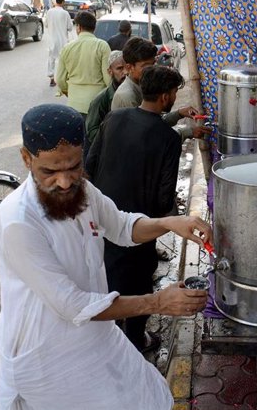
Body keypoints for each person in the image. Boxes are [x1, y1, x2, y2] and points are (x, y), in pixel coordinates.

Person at [0, 104, 210, 409]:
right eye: (50, 171)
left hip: (94, 334)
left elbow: (121, 226)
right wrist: (158, 302)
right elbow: (73, 304)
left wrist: (168, 223)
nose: (65, 182)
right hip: (45, 353)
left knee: (145, 395)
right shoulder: (18, 220)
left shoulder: (83, 190)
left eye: (73, 167)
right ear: (26, 158)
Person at [85, 66, 186, 352]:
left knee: (106, 277)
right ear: (166, 96)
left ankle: (110, 340)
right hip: (137, 226)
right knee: (140, 282)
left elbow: (90, 164)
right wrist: (165, 221)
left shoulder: (114, 118)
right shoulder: (168, 138)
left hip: (103, 218)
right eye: (175, 92)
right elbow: (164, 197)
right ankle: (136, 340)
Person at [110, 37, 209, 141]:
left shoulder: (142, 85)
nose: (151, 69)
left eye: (153, 64)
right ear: (130, 67)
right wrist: (187, 132)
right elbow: (149, 136)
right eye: (145, 66)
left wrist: (179, 113)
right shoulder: (128, 96)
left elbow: (154, 122)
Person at [56, 11, 111, 115]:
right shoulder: (102, 46)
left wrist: (68, 91)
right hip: (97, 104)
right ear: (94, 28)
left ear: (78, 27)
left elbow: (59, 80)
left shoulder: (67, 48)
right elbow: (108, 79)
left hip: (74, 104)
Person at [83, 50, 126, 158]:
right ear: (110, 71)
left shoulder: (135, 91)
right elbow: (92, 131)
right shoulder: (101, 99)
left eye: (127, 67)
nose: (125, 72)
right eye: (120, 68)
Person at [44, 0, 72, 87]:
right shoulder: (65, 13)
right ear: (63, 2)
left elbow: (46, 24)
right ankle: (63, 78)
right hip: (63, 41)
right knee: (63, 60)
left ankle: (52, 78)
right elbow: (70, 27)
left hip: (52, 40)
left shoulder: (49, 12)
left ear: (56, 1)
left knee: (51, 59)